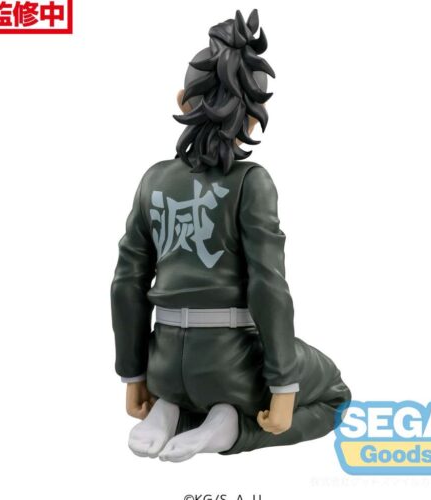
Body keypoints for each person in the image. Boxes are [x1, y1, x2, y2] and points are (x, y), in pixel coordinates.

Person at [111, 9, 351, 463]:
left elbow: (127, 284)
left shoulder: (152, 180)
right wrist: (283, 385)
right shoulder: (250, 182)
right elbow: (268, 285)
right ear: (254, 118)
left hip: (163, 363)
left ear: (183, 102)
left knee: (179, 383)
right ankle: (231, 430)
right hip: (232, 368)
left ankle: (170, 410)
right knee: (337, 396)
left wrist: (134, 375)